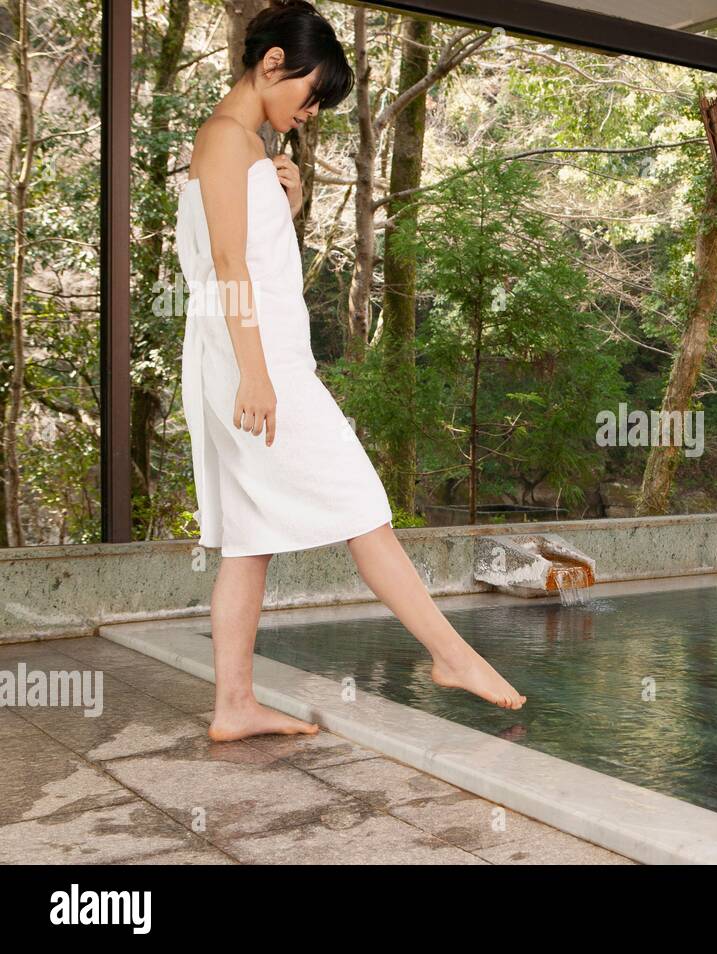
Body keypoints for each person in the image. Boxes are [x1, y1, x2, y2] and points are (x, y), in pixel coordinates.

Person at [175, 0, 524, 742]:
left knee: (247, 537)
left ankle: (233, 704)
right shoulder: (223, 138)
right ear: (273, 64)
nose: (308, 114)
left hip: (253, 356)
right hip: (254, 361)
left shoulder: (242, 145)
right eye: (308, 96)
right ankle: (451, 655)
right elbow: (229, 268)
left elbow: (251, 256)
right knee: (364, 505)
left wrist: (289, 199)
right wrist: (256, 374)